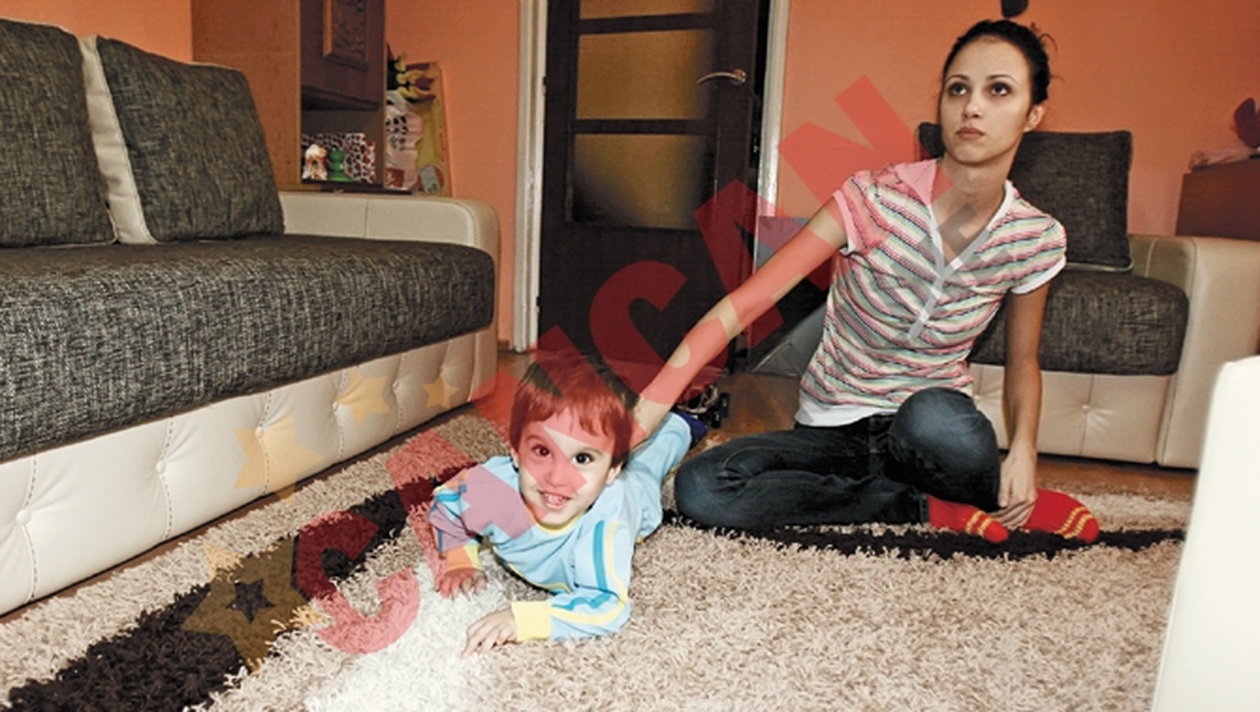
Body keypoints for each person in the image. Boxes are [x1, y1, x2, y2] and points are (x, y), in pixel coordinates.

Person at [632, 19, 1098, 544]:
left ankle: (976, 494)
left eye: (999, 90)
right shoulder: (871, 199)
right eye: (958, 88)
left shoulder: (1033, 237)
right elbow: (746, 303)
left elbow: (1024, 362)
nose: (972, 107)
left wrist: (1024, 453)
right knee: (703, 487)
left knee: (936, 417)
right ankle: (916, 505)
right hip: (833, 426)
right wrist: (649, 407)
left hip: (930, 434)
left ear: (1033, 113)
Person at [428, 350, 693, 656]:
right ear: (515, 451)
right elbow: (446, 505)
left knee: (650, 462)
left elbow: (606, 604)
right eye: (542, 452)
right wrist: (459, 560)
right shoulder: (493, 489)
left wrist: (522, 619)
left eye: (582, 458)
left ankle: (680, 424)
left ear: (612, 470)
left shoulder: (607, 520)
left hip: (635, 494)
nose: (557, 477)